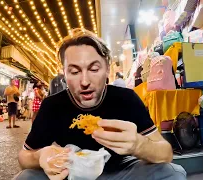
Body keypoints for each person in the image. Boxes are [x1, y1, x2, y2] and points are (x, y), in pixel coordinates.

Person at [16, 28, 186, 180]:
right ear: (64, 73)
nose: (84, 81)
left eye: (94, 69)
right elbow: (24, 156)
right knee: (26, 177)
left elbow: (166, 152)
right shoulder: (53, 105)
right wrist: (40, 157)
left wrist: (138, 144)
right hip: (71, 172)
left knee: (173, 173)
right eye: (74, 71)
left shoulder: (126, 99)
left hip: (121, 171)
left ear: (107, 68)